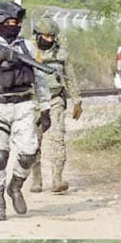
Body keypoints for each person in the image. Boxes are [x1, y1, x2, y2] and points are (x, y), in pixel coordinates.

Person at [0, 1, 52, 221]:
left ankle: (15, 186)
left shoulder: (28, 47)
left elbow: (40, 78)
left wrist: (45, 108)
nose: (13, 26)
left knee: (29, 153)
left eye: (16, 22)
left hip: (23, 105)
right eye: (9, 22)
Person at [29, 17, 82, 193]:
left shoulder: (61, 53)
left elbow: (70, 77)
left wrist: (77, 101)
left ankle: (57, 178)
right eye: (46, 36)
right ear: (37, 35)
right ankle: (36, 178)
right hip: (34, 101)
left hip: (55, 99)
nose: (49, 40)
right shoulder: (27, 51)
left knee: (58, 137)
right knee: (33, 141)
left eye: (52, 36)